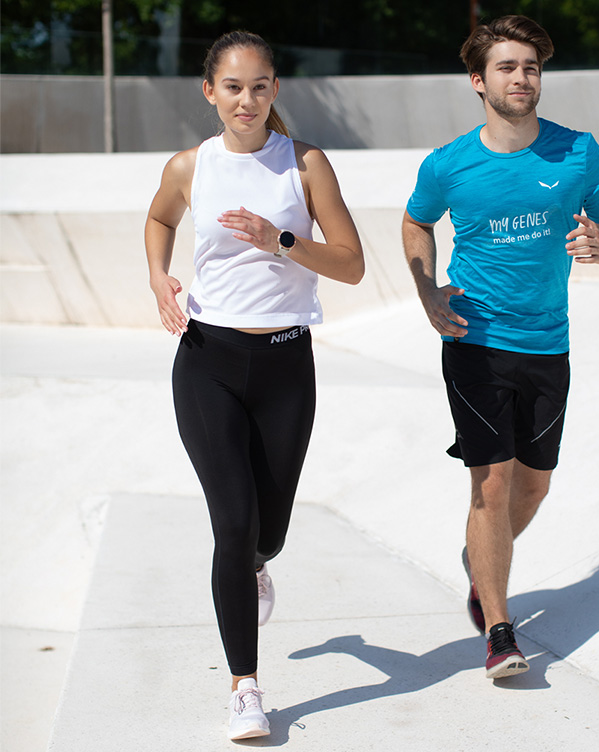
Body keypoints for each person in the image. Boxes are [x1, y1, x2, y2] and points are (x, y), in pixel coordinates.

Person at [145, 31, 364, 739]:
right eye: (234, 87)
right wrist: (158, 275)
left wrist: (283, 242)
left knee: (268, 531)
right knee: (232, 526)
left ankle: (258, 564)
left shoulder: (304, 166)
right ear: (210, 92)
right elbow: (158, 218)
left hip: (285, 366)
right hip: (206, 360)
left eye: (261, 85)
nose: (248, 99)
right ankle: (246, 686)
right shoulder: (190, 167)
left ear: (276, 90)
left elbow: (354, 264)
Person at [402, 15, 599, 680]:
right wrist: (427, 294)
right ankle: (500, 631)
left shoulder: (579, 152)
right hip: (475, 340)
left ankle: (481, 561)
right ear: (478, 81)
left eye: (531, 67)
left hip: (547, 344)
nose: (522, 78)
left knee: (533, 486)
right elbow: (416, 221)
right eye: (507, 67)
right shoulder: (448, 164)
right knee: (493, 483)